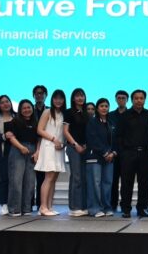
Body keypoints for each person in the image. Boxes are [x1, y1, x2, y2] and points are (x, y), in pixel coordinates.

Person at [116, 89, 148, 218]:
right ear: (132, 100)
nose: (139, 100)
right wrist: (123, 153)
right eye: (136, 98)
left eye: (141, 98)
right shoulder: (124, 116)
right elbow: (119, 136)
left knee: (145, 183)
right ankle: (126, 209)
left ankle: (142, 208)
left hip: (145, 154)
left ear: (145, 100)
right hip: (128, 154)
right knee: (127, 183)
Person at [35, 89, 67, 216]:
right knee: (48, 178)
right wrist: (53, 139)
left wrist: (62, 144)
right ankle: (43, 207)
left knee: (53, 179)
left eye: (61, 98)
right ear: (52, 99)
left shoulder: (63, 114)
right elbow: (39, 130)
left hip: (59, 148)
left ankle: (49, 206)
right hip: (49, 147)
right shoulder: (47, 112)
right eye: (56, 98)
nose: (58, 101)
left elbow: (64, 133)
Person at [86, 98, 118, 217]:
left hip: (109, 157)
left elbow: (116, 140)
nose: (104, 108)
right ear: (97, 108)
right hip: (95, 157)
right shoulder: (92, 122)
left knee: (107, 183)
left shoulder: (111, 122)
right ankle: (95, 208)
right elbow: (92, 139)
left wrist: (113, 153)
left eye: (106, 106)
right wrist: (105, 152)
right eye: (101, 106)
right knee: (95, 183)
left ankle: (106, 207)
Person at [6, 100, 38, 216]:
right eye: (24, 108)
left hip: (32, 151)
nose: (26, 110)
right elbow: (11, 137)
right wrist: (21, 147)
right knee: (16, 180)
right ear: (20, 109)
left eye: (28, 107)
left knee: (30, 182)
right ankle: (14, 209)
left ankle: (26, 208)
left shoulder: (36, 122)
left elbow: (39, 139)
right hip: (17, 150)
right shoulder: (14, 121)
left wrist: (37, 152)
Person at [63, 88, 89, 217]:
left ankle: (83, 206)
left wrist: (86, 145)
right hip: (73, 148)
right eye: (77, 96)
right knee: (76, 177)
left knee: (84, 177)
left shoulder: (86, 113)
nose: (80, 98)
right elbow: (65, 131)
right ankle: (74, 207)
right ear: (73, 98)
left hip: (85, 148)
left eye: (82, 96)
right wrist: (75, 145)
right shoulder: (69, 112)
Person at [0, 95, 15, 216]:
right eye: (2, 102)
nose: (5, 104)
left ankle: (15, 203)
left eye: (7, 101)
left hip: (17, 153)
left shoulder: (17, 117)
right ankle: (4, 204)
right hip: (1, 154)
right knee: (4, 179)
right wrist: (3, 136)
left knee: (16, 180)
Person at [108, 90, 129, 213]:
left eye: (123, 98)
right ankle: (113, 204)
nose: (121, 100)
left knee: (126, 181)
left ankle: (124, 205)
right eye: (119, 98)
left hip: (127, 153)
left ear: (127, 100)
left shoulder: (130, 114)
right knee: (113, 181)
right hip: (113, 153)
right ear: (116, 99)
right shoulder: (110, 115)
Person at [32, 85, 48, 211]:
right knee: (28, 177)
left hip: (45, 145)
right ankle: (28, 203)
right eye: (37, 93)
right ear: (33, 95)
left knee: (42, 177)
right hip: (30, 145)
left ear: (46, 95)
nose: (39, 95)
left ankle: (40, 204)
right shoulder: (28, 109)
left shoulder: (49, 110)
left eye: (42, 93)